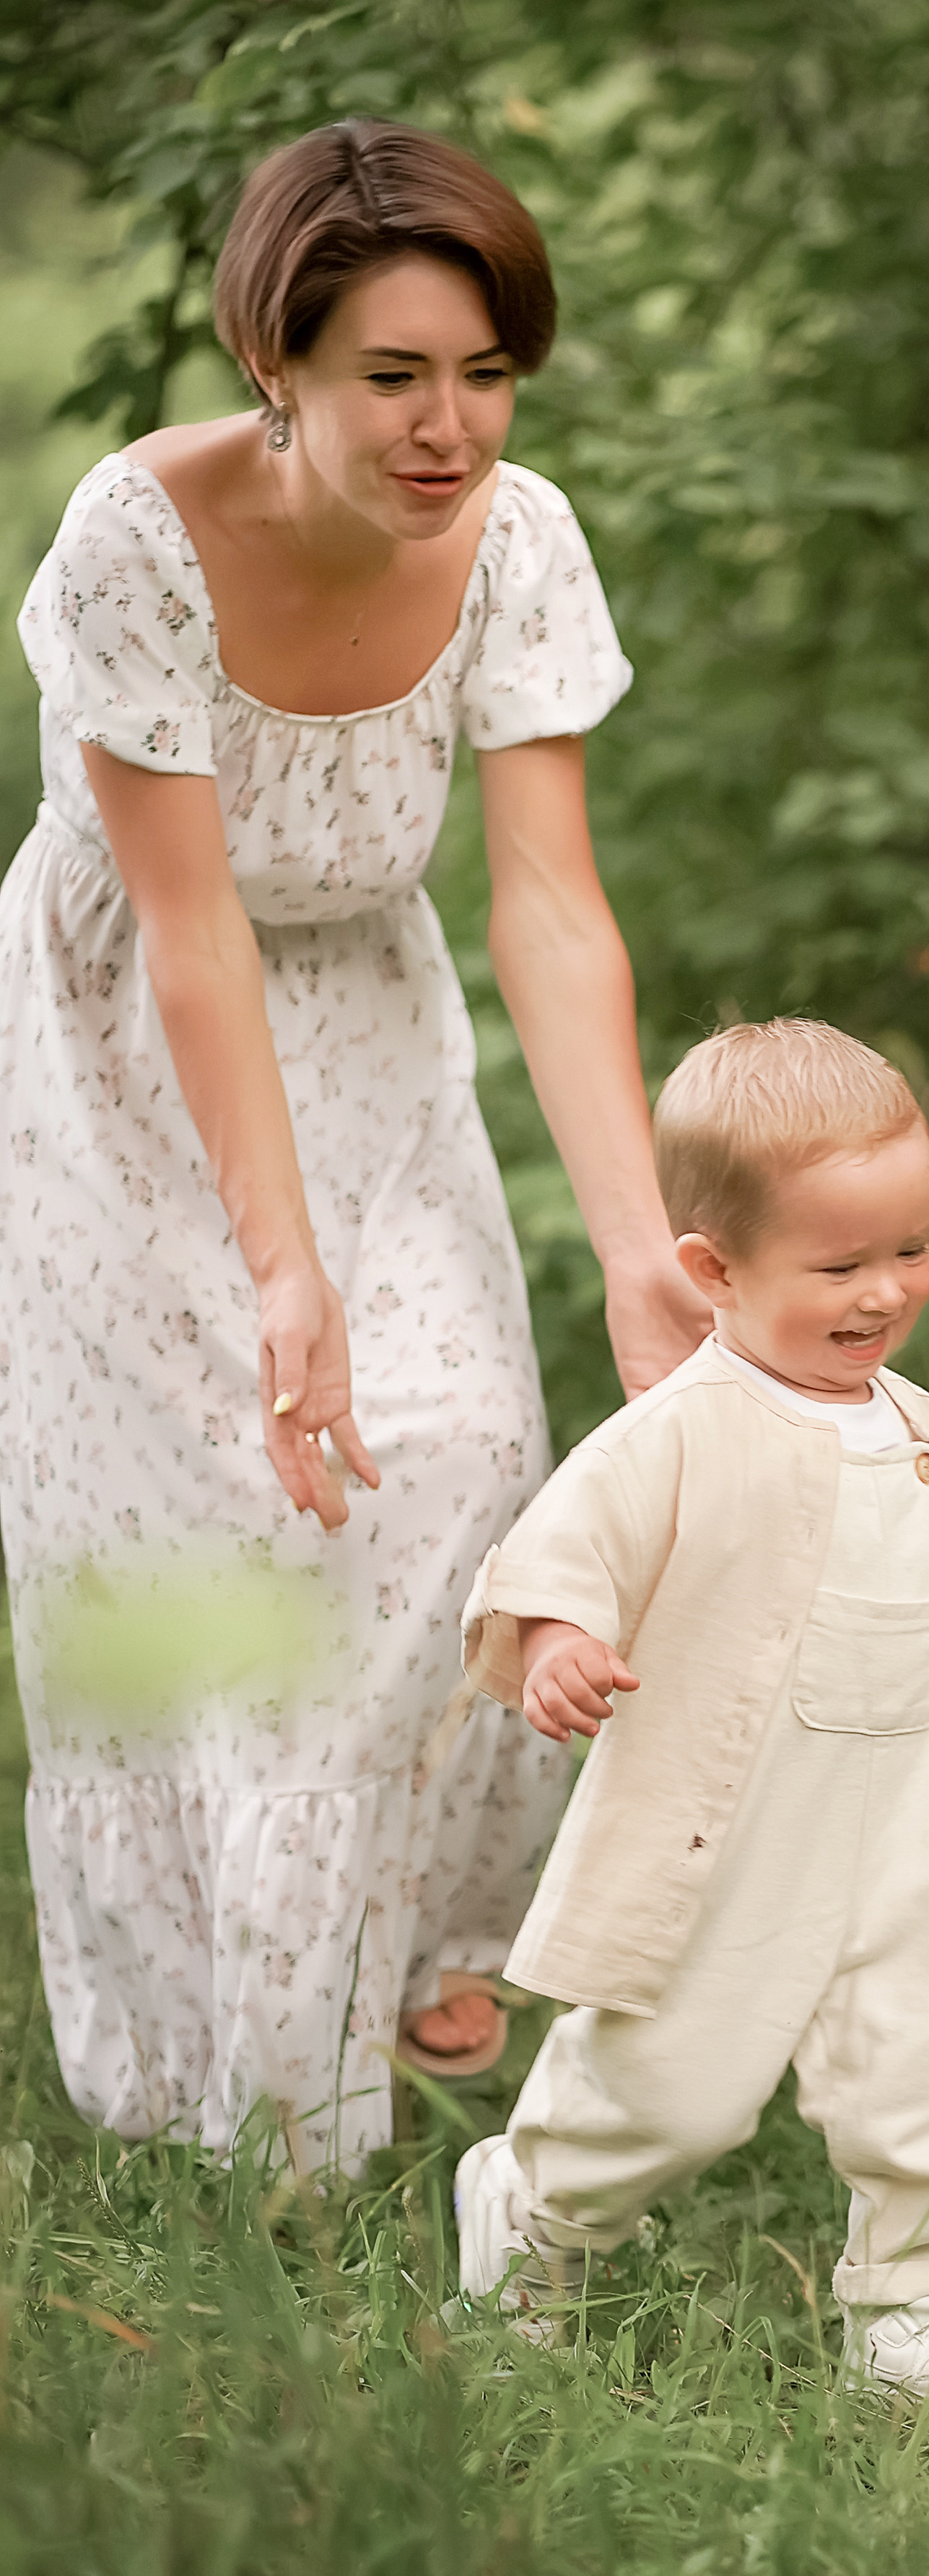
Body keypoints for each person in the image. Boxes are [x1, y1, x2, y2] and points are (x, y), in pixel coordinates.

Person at [0, 119, 706, 2171]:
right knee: (218, 1530)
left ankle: (402, 1947)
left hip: (373, 1038)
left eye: (483, 374)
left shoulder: (518, 539)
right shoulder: (133, 540)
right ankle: (241, 2116)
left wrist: (635, 1240)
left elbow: (550, 907)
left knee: (465, 1444)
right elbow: (193, 928)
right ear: (276, 366)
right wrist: (279, 1269)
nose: (448, 426)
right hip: (131, 1043)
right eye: (394, 376)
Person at [452, 1020, 929, 2411]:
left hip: (902, 1820)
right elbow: (562, 1550)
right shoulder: (683, 1425)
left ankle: (917, 2310)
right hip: (744, 1833)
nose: (885, 1292)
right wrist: (558, 1645)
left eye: (912, 1249)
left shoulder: (904, 1414)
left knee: (928, 2075)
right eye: (839, 1265)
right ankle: (535, 2212)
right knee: (675, 2087)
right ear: (711, 1270)